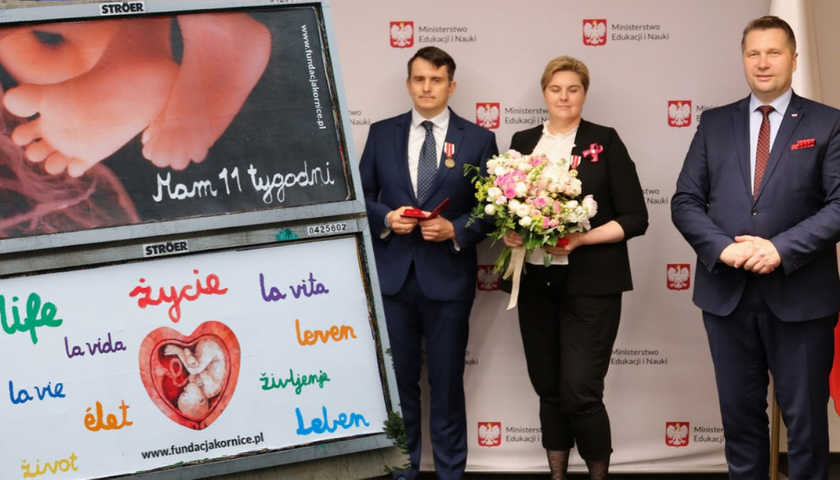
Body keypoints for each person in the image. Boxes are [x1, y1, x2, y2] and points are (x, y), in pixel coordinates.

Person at [671, 15, 840, 479]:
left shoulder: (828, 123)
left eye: (773, 53)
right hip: (727, 295)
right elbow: (685, 201)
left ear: (794, 59)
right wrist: (722, 249)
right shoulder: (714, 123)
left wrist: (780, 249)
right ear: (743, 59)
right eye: (753, 54)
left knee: (806, 427)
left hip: (802, 298)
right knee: (740, 424)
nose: (763, 63)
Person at [501, 56, 648, 479]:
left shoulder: (605, 140)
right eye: (556, 89)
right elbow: (508, 208)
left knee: (580, 391)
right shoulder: (523, 140)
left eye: (573, 89)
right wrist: (511, 232)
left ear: (584, 93)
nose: (564, 97)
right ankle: (558, 475)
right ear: (544, 93)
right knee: (549, 388)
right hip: (535, 282)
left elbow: (636, 217)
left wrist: (582, 238)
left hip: (591, 285)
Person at [359, 46, 498, 480]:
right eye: (419, 79)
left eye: (436, 80)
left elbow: (493, 209)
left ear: (451, 86)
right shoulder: (381, 133)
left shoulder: (479, 139)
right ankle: (403, 472)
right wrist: (387, 218)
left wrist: (455, 229)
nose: (426, 87)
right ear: (408, 84)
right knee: (399, 390)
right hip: (393, 282)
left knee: (447, 387)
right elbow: (360, 197)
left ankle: (450, 474)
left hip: (448, 282)